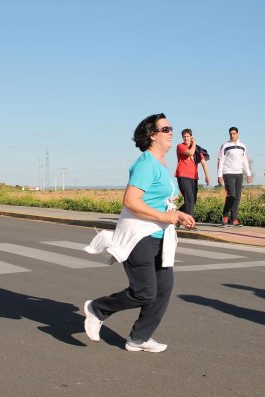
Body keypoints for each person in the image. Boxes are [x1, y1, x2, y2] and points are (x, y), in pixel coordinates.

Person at [83, 113, 195, 353]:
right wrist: (167, 217)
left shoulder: (162, 165)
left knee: (163, 289)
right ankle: (97, 309)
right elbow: (131, 200)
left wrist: (178, 215)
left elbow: (158, 202)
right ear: (152, 135)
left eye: (170, 127)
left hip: (159, 236)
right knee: (144, 292)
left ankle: (139, 338)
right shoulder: (146, 163)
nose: (170, 132)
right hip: (139, 236)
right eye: (165, 129)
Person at [217, 126, 252, 227]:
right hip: (228, 173)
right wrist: (219, 175)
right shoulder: (225, 145)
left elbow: (245, 160)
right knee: (231, 195)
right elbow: (221, 160)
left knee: (237, 197)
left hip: (239, 173)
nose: (232, 135)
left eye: (234, 134)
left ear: (238, 134)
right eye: (230, 134)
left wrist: (248, 173)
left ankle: (234, 219)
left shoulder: (242, 146)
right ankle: (224, 217)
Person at [174, 128, 210, 223]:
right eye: (184, 136)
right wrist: (194, 143)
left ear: (191, 137)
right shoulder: (180, 146)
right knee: (189, 198)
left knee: (192, 200)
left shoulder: (198, 149)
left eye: (188, 136)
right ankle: (190, 222)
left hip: (194, 177)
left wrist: (207, 176)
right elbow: (190, 152)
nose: (186, 138)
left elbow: (203, 162)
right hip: (183, 175)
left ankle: (176, 215)